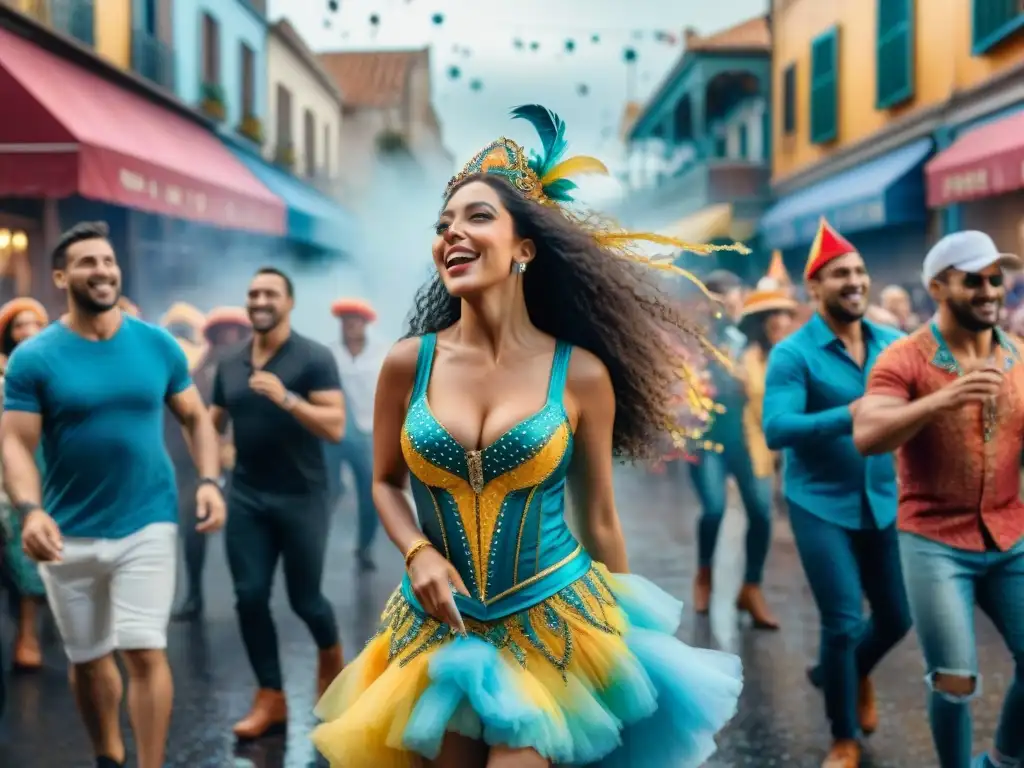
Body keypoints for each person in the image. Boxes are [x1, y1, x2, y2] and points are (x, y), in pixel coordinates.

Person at [311, 104, 743, 768]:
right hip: (438, 634)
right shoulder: (407, 364)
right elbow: (383, 483)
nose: (452, 233)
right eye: (443, 224)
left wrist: (624, 651)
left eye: (477, 217)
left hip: (552, 624)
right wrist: (418, 552)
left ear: (524, 248)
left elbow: (599, 517)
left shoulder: (582, 375)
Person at [0, 221, 225, 768]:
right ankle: (108, 755)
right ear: (60, 277)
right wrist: (30, 512)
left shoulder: (156, 345)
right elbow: (14, 443)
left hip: (146, 518)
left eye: (107, 261)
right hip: (65, 530)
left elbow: (195, 418)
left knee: (144, 649)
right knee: (87, 657)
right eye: (86, 262)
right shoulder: (35, 358)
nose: (101, 270)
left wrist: (210, 481)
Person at [853, 231, 1024, 768]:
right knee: (954, 680)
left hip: (1012, 533)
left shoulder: (1020, 356)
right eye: (973, 280)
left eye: (996, 278)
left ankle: (1001, 760)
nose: (989, 290)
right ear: (938, 287)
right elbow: (869, 434)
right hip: (934, 541)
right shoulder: (903, 358)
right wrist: (941, 399)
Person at [762, 218, 912, 768]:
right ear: (815, 288)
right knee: (844, 621)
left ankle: (846, 672)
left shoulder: (895, 344)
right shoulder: (793, 354)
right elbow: (777, 428)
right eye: (839, 273)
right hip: (818, 502)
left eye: (859, 271)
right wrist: (848, 415)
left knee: (896, 618)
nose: (854, 280)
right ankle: (843, 735)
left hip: (883, 498)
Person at [209, 267, 345, 740]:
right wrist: (213, 465)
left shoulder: (313, 357)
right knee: (248, 596)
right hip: (247, 495)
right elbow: (209, 424)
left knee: (306, 599)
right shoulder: (230, 362)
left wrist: (287, 398)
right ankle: (272, 697)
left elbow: (336, 426)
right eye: (253, 293)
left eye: (270, 293)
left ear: (289, 302)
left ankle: (332, 661)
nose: (260, 300)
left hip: (302, 495)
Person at [690, 276, 781, 628]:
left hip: (746, 439)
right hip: (707, 439)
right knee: (713, 510)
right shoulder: (694, 338)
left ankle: (751, 587)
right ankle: (704, 574)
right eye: (717, 298)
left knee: (762, 514)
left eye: (731, 297)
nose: (726, 304)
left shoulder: (754, 337)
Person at [170, 306, 252, 620]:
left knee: (241, 531)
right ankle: (193, 594)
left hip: (243, 465)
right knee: (193, 528)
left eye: (234, 334)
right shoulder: (197, 374)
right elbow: (184, 419)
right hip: (199, 464)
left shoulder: (256, 372)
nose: (228, 340)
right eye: (222, 335)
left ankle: (247, 593)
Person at [0, 297, 49, 670]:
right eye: (20, 324)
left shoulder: (48, 368)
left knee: (26, 551)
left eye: (34, 324)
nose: (27, 331)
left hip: (37, 464)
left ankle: (28, 634)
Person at [325, 297, 386, 571]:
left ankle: (365, 546)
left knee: (370, 491)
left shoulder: (383, 353)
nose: (350, 325)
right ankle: (313, 542)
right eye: (346, 320)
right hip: (334, 431)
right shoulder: (329, 353)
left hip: (368, 432)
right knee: (328, 488)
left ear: (365, 324)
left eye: (355, 320)